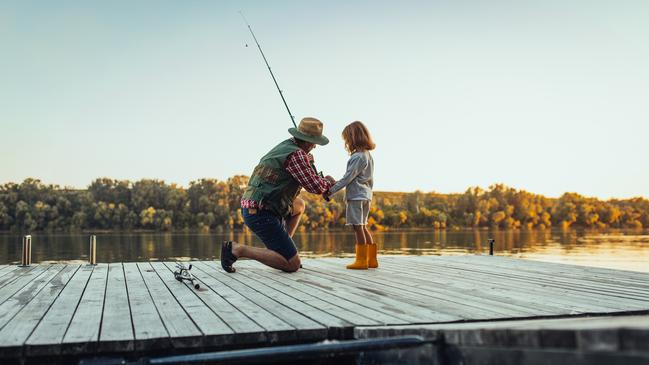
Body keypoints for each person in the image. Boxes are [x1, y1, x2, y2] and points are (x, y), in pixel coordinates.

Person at [220, 117, 335, 273]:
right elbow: (315, 187)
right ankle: (238, 249)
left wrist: (317, 174)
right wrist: (328, 182)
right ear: (308, 141)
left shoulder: (286, 146)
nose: (315, 146)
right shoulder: (297, 155)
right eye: (314, 142)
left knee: (299, 205)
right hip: (261, 212)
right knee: (292, 265)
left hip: (258, 205)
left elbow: (310, 178)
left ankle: (284, 250)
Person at [325, 121, 376, 269]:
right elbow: (355, 177)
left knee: (357, 227)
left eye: (347, 139)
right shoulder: (367, 155)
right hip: (366, 196)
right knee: (363, 226)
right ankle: (372, 260)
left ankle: (361, 261)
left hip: (356, 197)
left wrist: (331, 190)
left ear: (353, 138)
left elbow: (348, 178)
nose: (346, 142)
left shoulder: (357, 157)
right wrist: (336, 183)